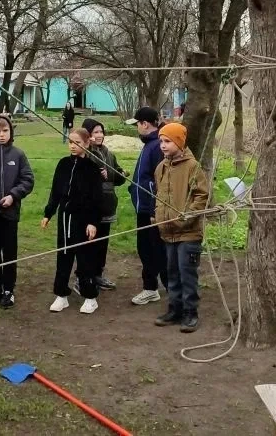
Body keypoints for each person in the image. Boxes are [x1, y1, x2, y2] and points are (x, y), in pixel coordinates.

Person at [153, 123, 211, 333]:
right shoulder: (161, 168)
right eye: (161, 141)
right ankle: (174, 309)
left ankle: (190, 312)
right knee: (172, 272)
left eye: (167, 141)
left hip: (188, 232)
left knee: (187, 273)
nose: (163, 145)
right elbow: (160, 196)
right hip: (167, 232)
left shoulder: (192, 167)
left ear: (179, 142)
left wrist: (186, 216)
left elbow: (202, 196)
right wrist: (158, 216)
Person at [41, 127, 103, 314]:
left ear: (86, 144)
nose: (73, 146)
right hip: (65, 218)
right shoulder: (63, 165)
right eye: (70, 142)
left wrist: (93, 222)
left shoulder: (92, 168)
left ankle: (90, 297)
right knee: (64, 256)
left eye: (77, 143)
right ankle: (61, 295)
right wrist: (48, 214)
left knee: (85, 259)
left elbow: (97, 198)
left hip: (83, 220)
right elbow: (56, 192)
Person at [0, 115, 35, 308]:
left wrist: (12, 196)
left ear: (11, 132)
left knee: (9, 252)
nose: (2, 135)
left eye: (5, 131)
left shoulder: (19, 155)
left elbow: (27, 180)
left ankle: (9, 290)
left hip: (11, 214)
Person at [126, 106, 167, 305]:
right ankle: (153, 287)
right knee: (146, 248)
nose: (137, 129)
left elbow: (160, 182)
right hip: (143, 207)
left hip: (151, 210)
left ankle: (164, 288)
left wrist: (153, 209)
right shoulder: (149, 144)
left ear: (145, 124)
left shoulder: (157, 145)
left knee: (155, 249)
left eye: (137, 125)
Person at [81, 117, 126, 291]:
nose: (99, 135)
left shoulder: (109, 153)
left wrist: (118, 174)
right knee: (88, 244)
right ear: (88, 135)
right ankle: (84, 277)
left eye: (101, 132)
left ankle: (98, 275)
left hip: (107, 205)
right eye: (95, 132)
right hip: (91, 207)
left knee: (102, 245)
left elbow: (117, 177)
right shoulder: (86, 153)